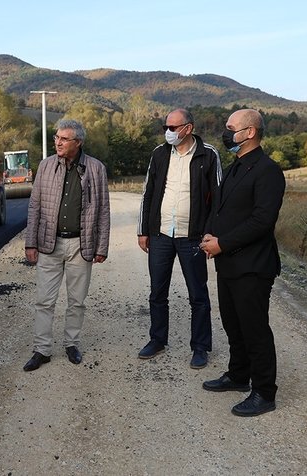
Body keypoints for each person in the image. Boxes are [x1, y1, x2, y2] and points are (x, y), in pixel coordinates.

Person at [199, 109, 285, 417]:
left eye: (230, 128)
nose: (225, 133)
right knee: (233, 324)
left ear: (249, 132)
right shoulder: (235, 166)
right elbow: (220, 208)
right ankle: (238, 375)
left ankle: (264, 391)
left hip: (252, 265)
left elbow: (262, 220)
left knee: (254, 329)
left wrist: (222, 243)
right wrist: (211, 232)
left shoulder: (267, 170)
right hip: (229, 264)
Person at [23, 118, 111, 371]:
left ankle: (72, 344)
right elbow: (35, 206)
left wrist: (101, 246)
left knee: (77, 300)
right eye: (56, 138)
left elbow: (103, 210)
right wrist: (31, 243)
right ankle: (42, 350)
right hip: (49, 244)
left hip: (80, 246)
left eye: (64, 139)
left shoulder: (96, 168)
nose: (58, 143)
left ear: (78, 142)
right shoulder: (46, 165)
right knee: (44, 300)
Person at [136, 108, 221, 369]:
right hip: (161, 234)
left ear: (188, 128)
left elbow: (218, 199)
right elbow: (148, 192)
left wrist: (211, 232)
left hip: (192, 236)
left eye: (173, 128)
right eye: (166, 128)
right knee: (157, 292)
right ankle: (158, 340)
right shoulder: (159, 154)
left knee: (198, 294)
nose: (168, 132)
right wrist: (143, 230)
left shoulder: (208, 154)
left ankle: (200, 347)